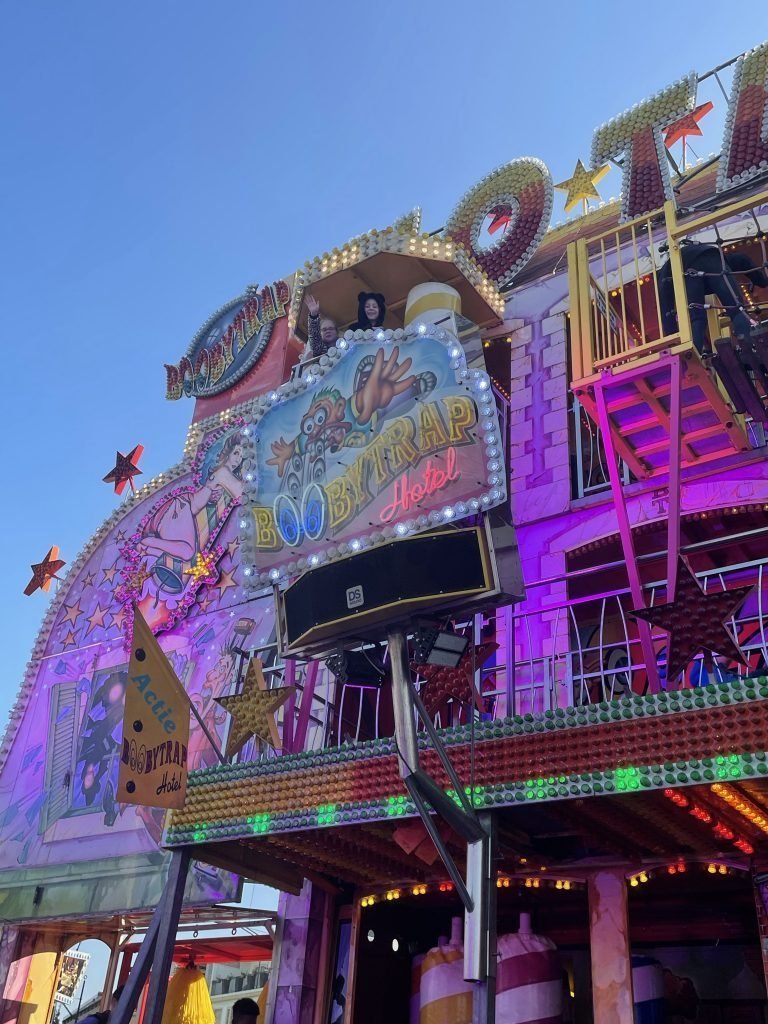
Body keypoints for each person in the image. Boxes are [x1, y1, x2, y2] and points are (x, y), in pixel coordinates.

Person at [658, 241, 768, 354]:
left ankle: (693, 358)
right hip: (712, 257)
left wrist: (671, 333)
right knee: (737, 309)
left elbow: (665, 304)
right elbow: (743, 259)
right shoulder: (725, 260)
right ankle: (749, 348)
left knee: (697, 319)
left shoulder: (666, 273)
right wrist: (761, 281)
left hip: (688, 269)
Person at [306, 293, 338, 358]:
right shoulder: (320, 350)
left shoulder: (346, 343)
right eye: (324, 329)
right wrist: (314, 315)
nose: (328, 331)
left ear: (336, 331)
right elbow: (315, 337)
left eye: (331, 328)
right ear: (320, 333)